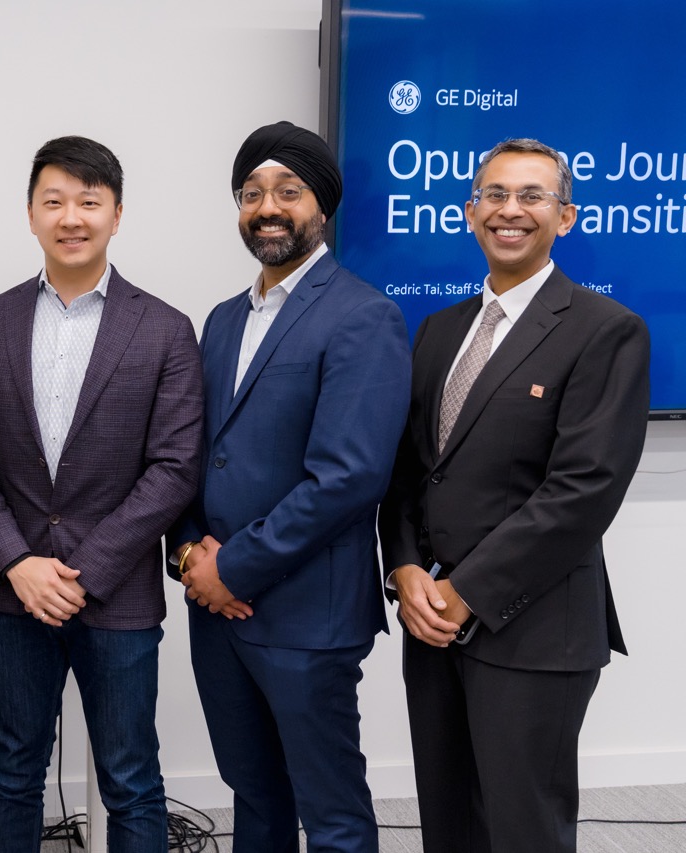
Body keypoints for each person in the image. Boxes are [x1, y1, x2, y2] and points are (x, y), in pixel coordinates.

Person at [379, 138, 650, 853]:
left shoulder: (606, 330)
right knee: (449, 821)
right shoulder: (438, 331)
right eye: (495, 195)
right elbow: (408, 471)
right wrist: (404, 569)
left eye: (532, 196)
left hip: (532, 632)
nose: (510, 210)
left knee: (521, 828)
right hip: (430, 627)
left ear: (565, 217)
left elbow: (583, 490)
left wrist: (465, 592)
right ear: (471, 213)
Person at [0, 135, 202, 852]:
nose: (72, 216)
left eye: (89, 201)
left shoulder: (164, 329)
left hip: (116, 595)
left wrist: (82, 571)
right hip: (12, 593)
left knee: (131, 776)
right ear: (30, 214)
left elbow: (175, 467)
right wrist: (17, 562)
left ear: (117, 214)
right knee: (14, 769)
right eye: (54, 200)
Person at [168, 120, 411, 853]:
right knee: (255, 798)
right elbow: (191, 454)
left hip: (308, 616)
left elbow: (348, 477)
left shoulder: (364, 315)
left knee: (331, 813)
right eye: (251, 193)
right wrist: (187, 556)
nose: (267, 207)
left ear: (322, 206)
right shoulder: (219, 320)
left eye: (288, 190)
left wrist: (230, 568)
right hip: (217, 614)